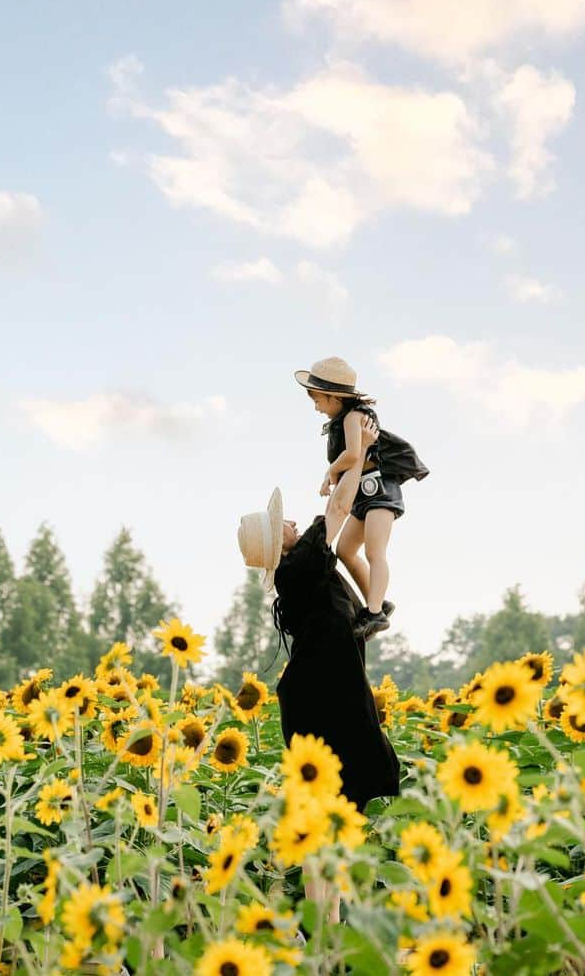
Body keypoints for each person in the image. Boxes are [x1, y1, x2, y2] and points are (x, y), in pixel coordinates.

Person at [237, 481, 400, 923]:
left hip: (330, 693)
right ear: (279, 546)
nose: (290, 521)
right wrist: (358, 449)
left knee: (339, 810)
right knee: (329, 809)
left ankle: (327, 920)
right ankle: (324, 921)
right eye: (281, 525)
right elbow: (341, 505)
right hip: (323, 698)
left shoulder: (301, 571)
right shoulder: (302, 564)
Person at [294, 356, 429, 641]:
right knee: (345, 550)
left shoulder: (355, 417)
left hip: (379, 491)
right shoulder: (341, 421)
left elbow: (355, 454)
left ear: (335, 397)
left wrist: (330, 470)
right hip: (360, 495)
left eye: (318, 400)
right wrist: (331, 475)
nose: (316, 407)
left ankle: (374, 612)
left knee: (374, 552)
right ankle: (376, 601)